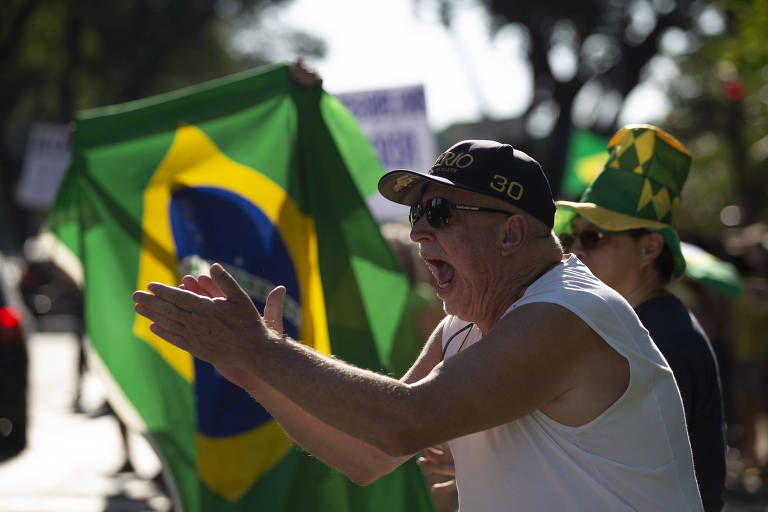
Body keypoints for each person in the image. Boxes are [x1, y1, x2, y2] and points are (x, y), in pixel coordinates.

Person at [133, 139, 704, 510]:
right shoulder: (467, 325)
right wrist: (254, 374)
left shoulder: (566, 313)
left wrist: (263, 352)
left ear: (510, 235)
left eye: (439, 213)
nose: (416, 234)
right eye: (415, 214)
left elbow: (403, 423)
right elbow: (368, 457)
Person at [554, 124, 726, 511]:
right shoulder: (642, 324)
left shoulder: (660, 337)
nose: (576, 252)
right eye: (572, 238)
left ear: (649, 248)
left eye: (593, 238)